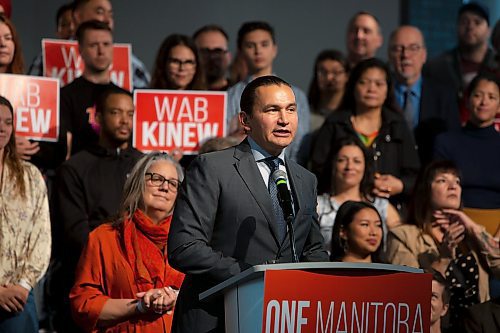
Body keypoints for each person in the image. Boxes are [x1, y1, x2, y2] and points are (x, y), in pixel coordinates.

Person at [168, 75, 328, 332]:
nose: (284, 119)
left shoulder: (305, 179)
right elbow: (184, 247)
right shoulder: (212, 167)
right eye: (272, 110)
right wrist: (251, 276)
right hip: (217, 318)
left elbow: (314, 249)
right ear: (245, 120)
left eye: (290, 109)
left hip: (280, 320)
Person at [51, 88, 143, 331]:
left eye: (130, 114)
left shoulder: (145, 166)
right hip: (92, 278)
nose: (125, 120)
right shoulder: (75, 168)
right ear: (98, 117)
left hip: (141, 279)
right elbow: (75, 232)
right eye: (116, 112)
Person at [70, 152, 185, 332]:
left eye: (172, 183)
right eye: (156, 178)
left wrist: (177, 297)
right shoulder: (104, 238)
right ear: (137, 183)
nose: (164, 187)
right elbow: (83, 304)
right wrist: (140, 306)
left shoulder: (189, 241)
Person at [386, 160, 500, 330]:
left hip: (475, 327)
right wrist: (444, 258)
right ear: (426, 190)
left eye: (457, 182)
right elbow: (408, 294)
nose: (453, 186)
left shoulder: (471, 237)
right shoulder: (403, 236)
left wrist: (471, 225)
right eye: (442, 180)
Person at [310, 58, 420, 210]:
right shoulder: (336, 124)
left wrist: (400, 185)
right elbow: (316, 170)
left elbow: (415, 175)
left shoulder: (398, 126)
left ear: (388, 90)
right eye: (364, 82)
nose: (371, 89)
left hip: (389, 209)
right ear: (353, 86)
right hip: (340, 210)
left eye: (379, 84)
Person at [0, 96, 51, 332]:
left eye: (8, 122)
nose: (2, 127)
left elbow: (41, 236)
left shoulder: (30, 176)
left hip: (19, 295)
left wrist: (23, 284)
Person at [226, 21, 311, 163]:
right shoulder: (230, 96)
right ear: (240, 51)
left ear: (274, 49)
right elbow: (225, 140)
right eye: (250, 45)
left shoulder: (297, 95)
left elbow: (301, 144)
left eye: (264, 44)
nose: (258, 51)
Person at [28, 0, 151, 89]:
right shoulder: (48, 57)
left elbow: (144, 102)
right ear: (78, 16)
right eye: (100, 12)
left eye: (111, 14)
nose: (107, 20)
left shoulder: (132, 64)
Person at [434, 72, 500, 233]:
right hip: (454, 224)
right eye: (478, 95)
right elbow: (437, 189)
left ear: (499, 106)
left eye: (492, 97)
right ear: (468, 100)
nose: (484, 102)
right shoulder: (446, 142)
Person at [388, 25, 460, 165]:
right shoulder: (380, 93)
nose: (405, 55)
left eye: (413, 48)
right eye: (398, 49)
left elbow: (454, 142)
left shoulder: (444, 95)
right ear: (389, 55)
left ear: (424, 55)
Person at [317, 138, 399, 253]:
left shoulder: (382, 206)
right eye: (342, 160)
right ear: (333, 165)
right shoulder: (318, 206)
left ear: (366, 166)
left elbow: (400, 241)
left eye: (357, 161)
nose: (349, 166)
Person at [61, 20, 128, 157]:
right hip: (79, 173)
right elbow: (65, 150)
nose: (101, 51)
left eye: (106, 44)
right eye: (93, 45)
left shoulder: (125, 97)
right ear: (80, 49)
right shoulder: (66, 95)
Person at [424, 2, 495, 122]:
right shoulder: (437, 67)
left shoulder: (497, 66)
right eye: (464, 22)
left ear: (489, 30)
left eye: (477, 22)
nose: (470, 27)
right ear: (456, 27)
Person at [307, 49, 350, 131]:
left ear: (347, 76)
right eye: (323, 72)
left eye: (336, 72)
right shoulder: (306, 112)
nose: (329, 78)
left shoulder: (354, 114)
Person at [193, 24, 232, 91]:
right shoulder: (183, 94)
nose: (212, 57)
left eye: (218, 51)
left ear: (229, 56)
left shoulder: (239, 93)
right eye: (205, 52)